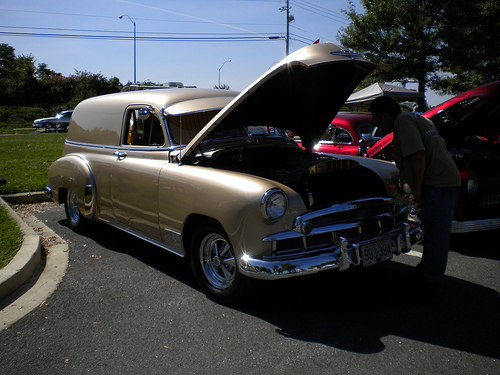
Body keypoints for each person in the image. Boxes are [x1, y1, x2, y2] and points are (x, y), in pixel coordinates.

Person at [369, 96, 461, 294]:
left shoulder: (402, 122)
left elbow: (418, 154)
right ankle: (425, 273)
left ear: (385, 116)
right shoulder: (418, 118)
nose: (376, 123)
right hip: (445, 180)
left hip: (438, 184)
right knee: (432, 232)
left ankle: (431, 283)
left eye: (376, 118)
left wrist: (417, 188)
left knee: (436, 236)